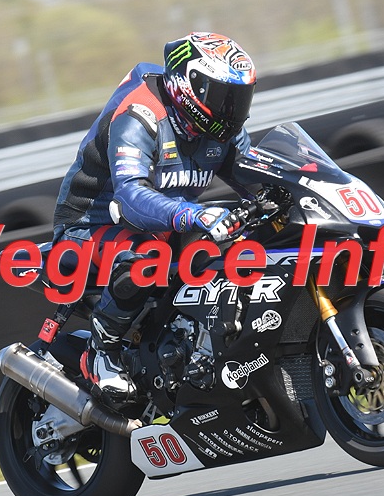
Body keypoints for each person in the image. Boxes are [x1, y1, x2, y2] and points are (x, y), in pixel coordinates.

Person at [52, 32, 258, 402]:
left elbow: (255, 179)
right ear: (188, 86)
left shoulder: (221, 129)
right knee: (149, 258)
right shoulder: (140, 114)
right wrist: (194, 215)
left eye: (238, 98)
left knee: (247, 233)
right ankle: (101, 351)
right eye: (223, 96)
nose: (232, 109)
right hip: (91, 227)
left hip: (163, 225)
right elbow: (131, 196)